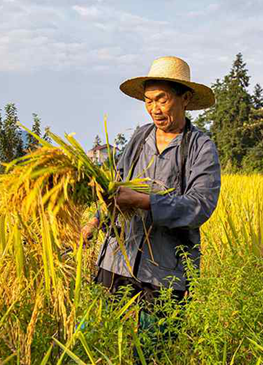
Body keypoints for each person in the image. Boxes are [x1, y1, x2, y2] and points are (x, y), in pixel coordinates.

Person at [81, 55, 221, 305]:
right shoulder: (140, 137)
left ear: (185, 98)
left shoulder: (200, 147)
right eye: (148, 101)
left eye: (161, 100)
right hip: (118, 259)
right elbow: (118, 184)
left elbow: (200, 205)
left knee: (156, 342)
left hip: (165, 270)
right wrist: (93, 223)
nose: (154, 109)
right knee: (103, 335)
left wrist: (143, 201)